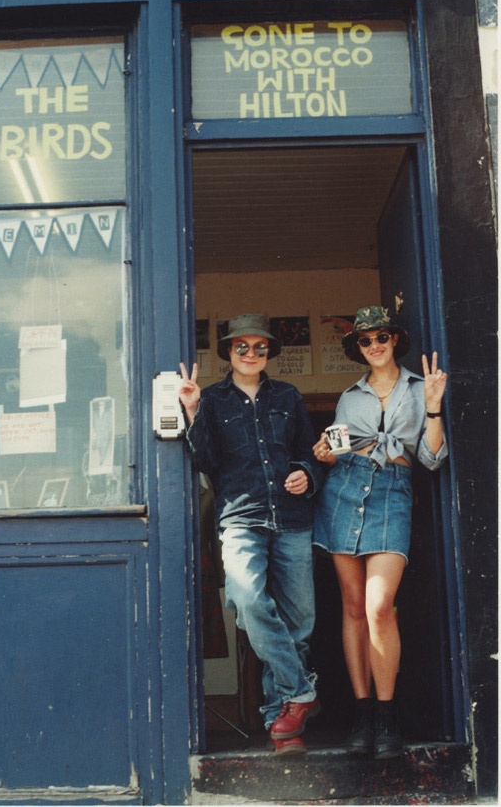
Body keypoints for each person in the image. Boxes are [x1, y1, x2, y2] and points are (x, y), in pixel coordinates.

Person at [179, 313, 324, 755]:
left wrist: (305, 473)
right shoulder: (214, 401)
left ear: (268, 353)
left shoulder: (288, 395)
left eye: (259, 348)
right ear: (228, 352)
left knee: (299, 624)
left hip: (292, 518)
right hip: (241, 517)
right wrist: (191, 410)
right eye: (242, 347)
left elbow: (309, 452)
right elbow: (204, 460)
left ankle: (283, 728)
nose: (251, 354)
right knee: (246, 599)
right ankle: (301, 693)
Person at [313, 306, 448, 760]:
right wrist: (326, 455)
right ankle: (363, 713)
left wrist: (432, 406)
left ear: (394, 341)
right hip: (345, 491)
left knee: (379, 607)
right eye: (366, 341)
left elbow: (431, 459)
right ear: (358, 348)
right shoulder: (350, 397)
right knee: (352, 607)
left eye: (382, 338)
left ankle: (388, 715)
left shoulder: (417, 386)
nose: (374, 346)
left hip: (392, 493)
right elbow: (334, 448)